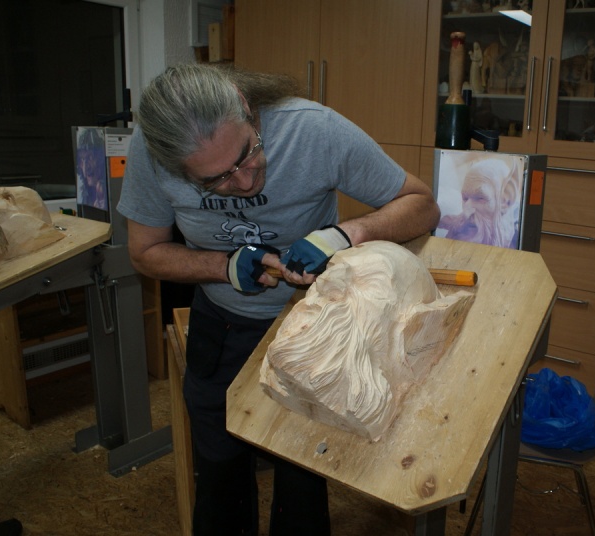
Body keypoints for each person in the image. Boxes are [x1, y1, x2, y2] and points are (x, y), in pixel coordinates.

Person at [116, 63, 439, 536]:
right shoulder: (152, 151)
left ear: (246, 108)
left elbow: (422, 205)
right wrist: (222, 267)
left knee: (302, 475)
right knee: (220, 473)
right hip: (224, 325)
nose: (246, 183)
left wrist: (346, 234)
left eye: (247, 155)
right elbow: (144, 252)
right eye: (216, 180)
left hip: (317, 326)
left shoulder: (313, 130)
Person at [436, 156, 520, 248]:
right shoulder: (457, 234)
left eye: (480, 198)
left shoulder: (519, 245)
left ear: (505, 201)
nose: (466, 212)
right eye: (465, 198)